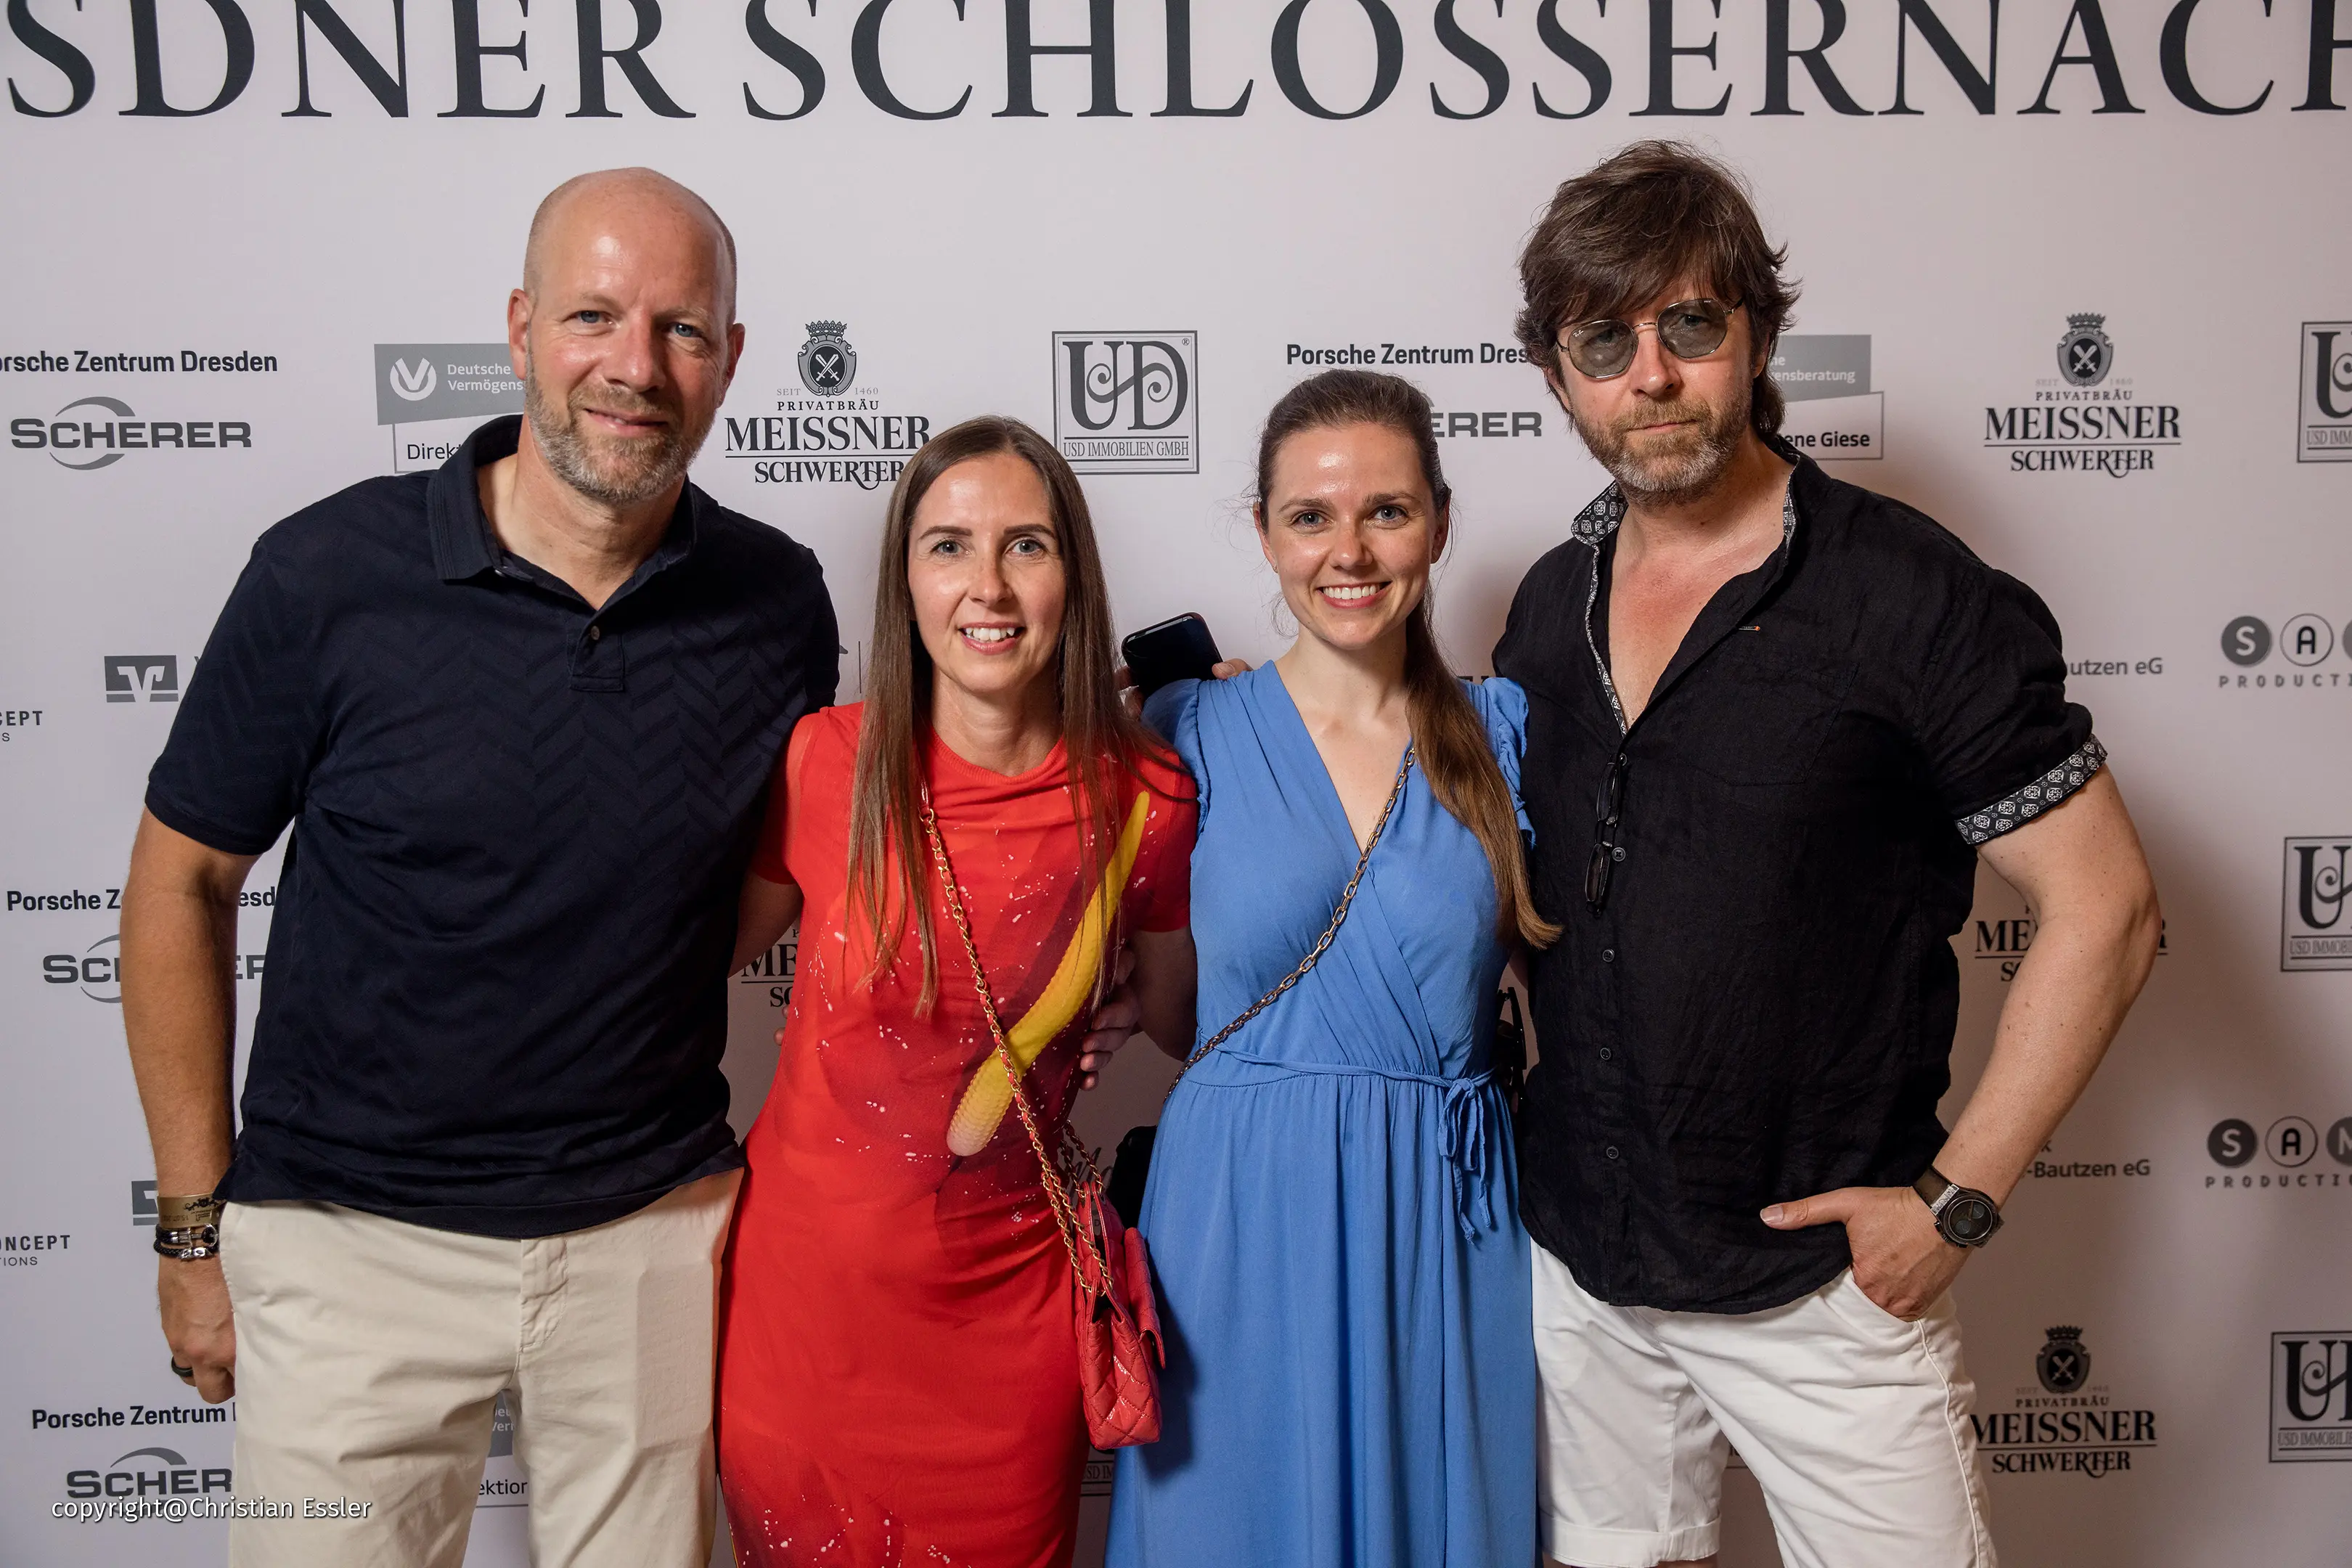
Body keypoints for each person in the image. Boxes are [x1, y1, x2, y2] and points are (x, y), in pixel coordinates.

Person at [118, 168, 838, 1568]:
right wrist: (192, 1231)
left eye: (683, 329)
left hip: (651, 1243)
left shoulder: (776, 598)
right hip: (346, 1247)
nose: (636, 366)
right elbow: (180, 883)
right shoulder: (327, 574)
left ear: (733, 357)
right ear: (519, 330)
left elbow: (766, 870)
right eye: (593, 316)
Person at [1493, 142, 2163, 1568]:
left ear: (1756, 335)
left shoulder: (1911, 595)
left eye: (1689, 325)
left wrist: (1955, 1204)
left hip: (1822, 1288)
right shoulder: (1549, 605)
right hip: (1587, 1268)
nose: (1651, 377)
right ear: (1558, 374)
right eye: (1605, 342)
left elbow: (2106, 908)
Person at [716, 416, 1199, 1568]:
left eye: (1027, 544)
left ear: (1073, 574)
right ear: (905, 580)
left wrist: (1118, 990)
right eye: (948, 547)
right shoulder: (824, 763)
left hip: (1007, 1325)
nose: (989, 585)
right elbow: (689, 960)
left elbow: (1185, 1020)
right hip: (806, 1321)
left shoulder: (1147, 794)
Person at [1106, 369, 1545, 1567]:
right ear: (1265, 533)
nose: (1348, 552)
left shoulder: (1507, 733)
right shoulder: (1185, 732)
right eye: (1311, 517)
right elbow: (1179, 1020)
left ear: (1439, 524)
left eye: (1386, 512)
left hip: (1445, 1217)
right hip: (1238, 1210)